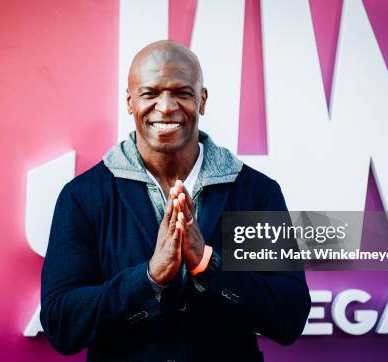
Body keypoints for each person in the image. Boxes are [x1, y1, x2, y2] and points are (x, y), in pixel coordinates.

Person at [40, 40, 311, 362]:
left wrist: (208, 266)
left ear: (202, 100)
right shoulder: (84, 196)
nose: (166, 107)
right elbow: (62, 326)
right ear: (130, 102)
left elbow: (288, 317)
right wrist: (149, 278)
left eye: (181, 92)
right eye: (150, 93)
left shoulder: (253, 192)